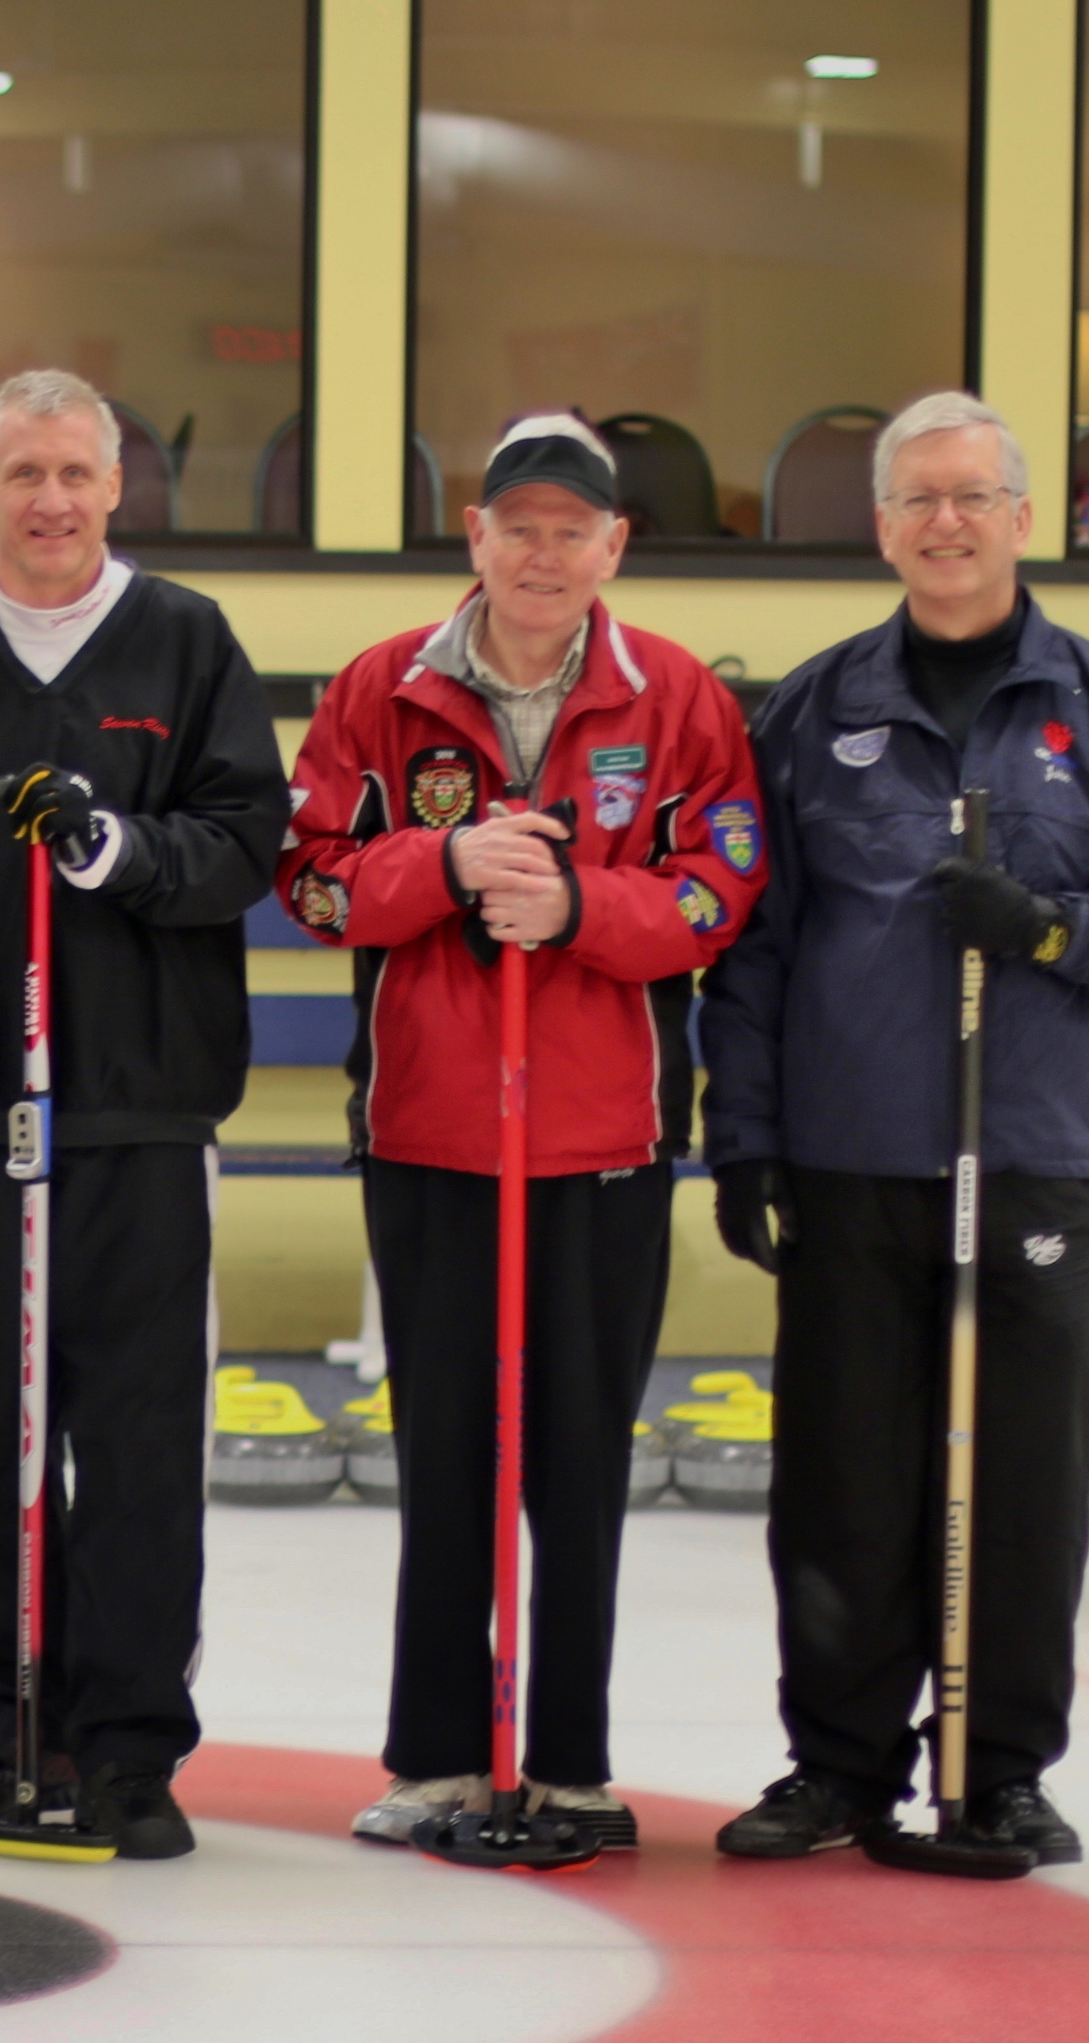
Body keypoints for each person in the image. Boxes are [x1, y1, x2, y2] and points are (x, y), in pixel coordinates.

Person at [707, 392, 1089, 1864]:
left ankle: (997, 1770)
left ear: (1023, 519)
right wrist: (744, 1137)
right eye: (919, 499)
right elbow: (752, 946)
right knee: (845, 1481)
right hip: (851, 1156)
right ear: (882, 527)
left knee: (1024, 1484)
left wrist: (1049, 928)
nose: (946, 523)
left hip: (1040, 1155)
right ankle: (838, 1765)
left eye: (973, 496)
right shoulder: (815, 713)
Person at [280, 415, 765, 1853]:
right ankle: (437, 1756)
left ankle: (569, 1765)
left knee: (581, 1460)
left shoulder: (679, 698)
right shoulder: (382, 689)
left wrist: (578, 908)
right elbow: (309, 879)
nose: (542, 554)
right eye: (519, 526)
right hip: (434, 1135)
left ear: (614, 546)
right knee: (443, 1455)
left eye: (572, 530)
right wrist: (441, 864)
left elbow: (719, 892)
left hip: (604, 1143)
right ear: (475, 537)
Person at [0, 369, 291, 1859]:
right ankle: (5, 1725)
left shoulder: (183, 636)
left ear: (116, 487)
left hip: (140, 1104)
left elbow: (250, 842)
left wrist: (121, 851)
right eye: (22, 473)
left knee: (136, 1435)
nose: (49, 500)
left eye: (74, 473)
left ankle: (126, 1745)